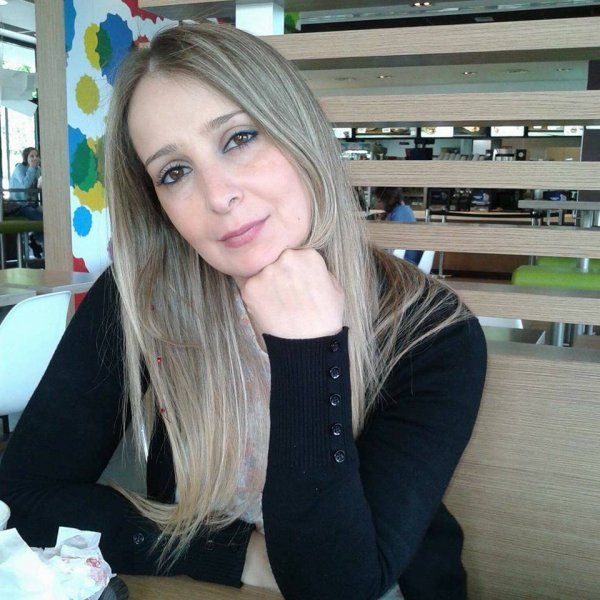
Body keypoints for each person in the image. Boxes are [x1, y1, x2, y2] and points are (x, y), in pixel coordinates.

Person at [0, 22, 486, 600]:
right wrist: (240, 554)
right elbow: (22, 496)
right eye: (174, 172)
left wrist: (308, 350)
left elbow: (337, 586)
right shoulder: (141, 298)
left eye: (239, 138)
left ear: (299, 131)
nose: (218, 195)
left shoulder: (432, 330)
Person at [5, 146, 44, 258]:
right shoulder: (19, 169)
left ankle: (35, 240)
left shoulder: (38, 169)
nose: (35, 158)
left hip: (33, 204)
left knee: (50, 216)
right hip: (19, 205)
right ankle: (37, 240)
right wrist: (32, 168)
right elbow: (25, 186)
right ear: (26, 158)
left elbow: (38, 186)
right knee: (40, 217)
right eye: (32, 156)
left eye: (37, 156)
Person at [373, 187, 423, 265]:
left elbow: (390, 247)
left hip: (403, 262)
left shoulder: (396, 215)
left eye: (376, 199)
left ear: (381, 200)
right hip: (413, 262)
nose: (375, 202)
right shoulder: (406, 209)